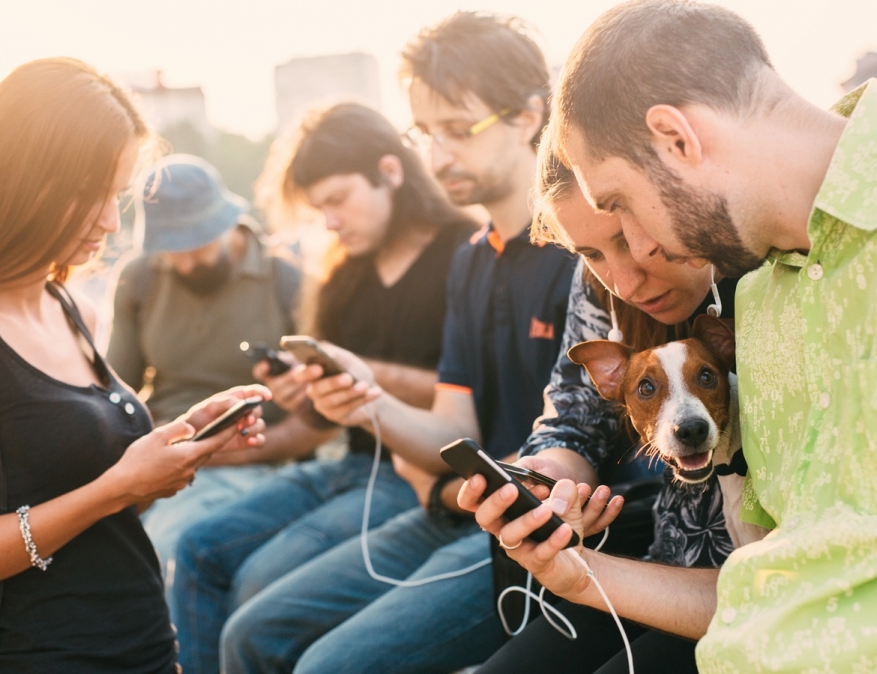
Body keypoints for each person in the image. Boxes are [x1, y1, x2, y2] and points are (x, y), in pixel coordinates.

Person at [464, 0, 877, 670]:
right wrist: (574, 575)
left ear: (677, 139)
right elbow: (768, 577)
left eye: (619, 206)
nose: (630, 254)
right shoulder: (763, 300)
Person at [0, 57, 268, 672]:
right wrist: (118, 487)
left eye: (116, 195)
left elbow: (95, 505)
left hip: (147, 646)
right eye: (88, 195)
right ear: (19, 177)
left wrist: (183, 445)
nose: (111, 222)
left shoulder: (66, 301)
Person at [218, 12, 576, 674]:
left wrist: (446, 487)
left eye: (455, 129)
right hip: (452, 514)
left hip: (524, 532)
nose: (434, 156)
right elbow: (451, 425)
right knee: (251, 634)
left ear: (529, 116)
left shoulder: (584, 251)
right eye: (423, 132)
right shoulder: (471, 260)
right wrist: (366, 400)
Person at [171, 102, 479, 674]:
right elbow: (325, 421)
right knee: (197, 548)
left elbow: (474, 396)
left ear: (390, 172)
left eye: (337, 200)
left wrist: (366, 372)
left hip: (411, 472)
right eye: (320, 210)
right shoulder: (343, 273)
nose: (331, 222)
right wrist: (304, 397)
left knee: (257, 583)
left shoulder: (468, 253)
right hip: (346, 466)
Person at [476, 132, 737, 674]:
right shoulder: (601, 290)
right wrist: (546, 474)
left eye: (625, 237)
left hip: (749, 588)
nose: (622, 281)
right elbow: (573, 417)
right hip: (660, 559)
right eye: (590, 253)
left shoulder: (757, 273)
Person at [107, 154, 305, 571]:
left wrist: (228, 453)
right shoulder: (140, 278)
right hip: (164, 455)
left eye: (197, 246)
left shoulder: (285, 282)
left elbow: (319, 418)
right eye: (171, 251)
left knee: (170, 550)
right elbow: (113, 394)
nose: (185, 263)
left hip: (259, 462)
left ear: (229, 222)